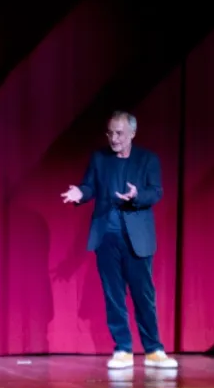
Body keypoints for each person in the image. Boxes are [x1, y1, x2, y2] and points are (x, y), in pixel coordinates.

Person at [61, 111, 177, 370]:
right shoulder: (99, 158)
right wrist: (80, 192)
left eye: (119, 133)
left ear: (132, 134)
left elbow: (155, 192)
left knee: (143, 295)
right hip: (107, 237)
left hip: (137, 238)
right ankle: (123, 349)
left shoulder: (148, 159)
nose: (114, 138)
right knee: (113, 295)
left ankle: (154, 349)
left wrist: (137, 196)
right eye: (110, 133)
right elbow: (90, 186)